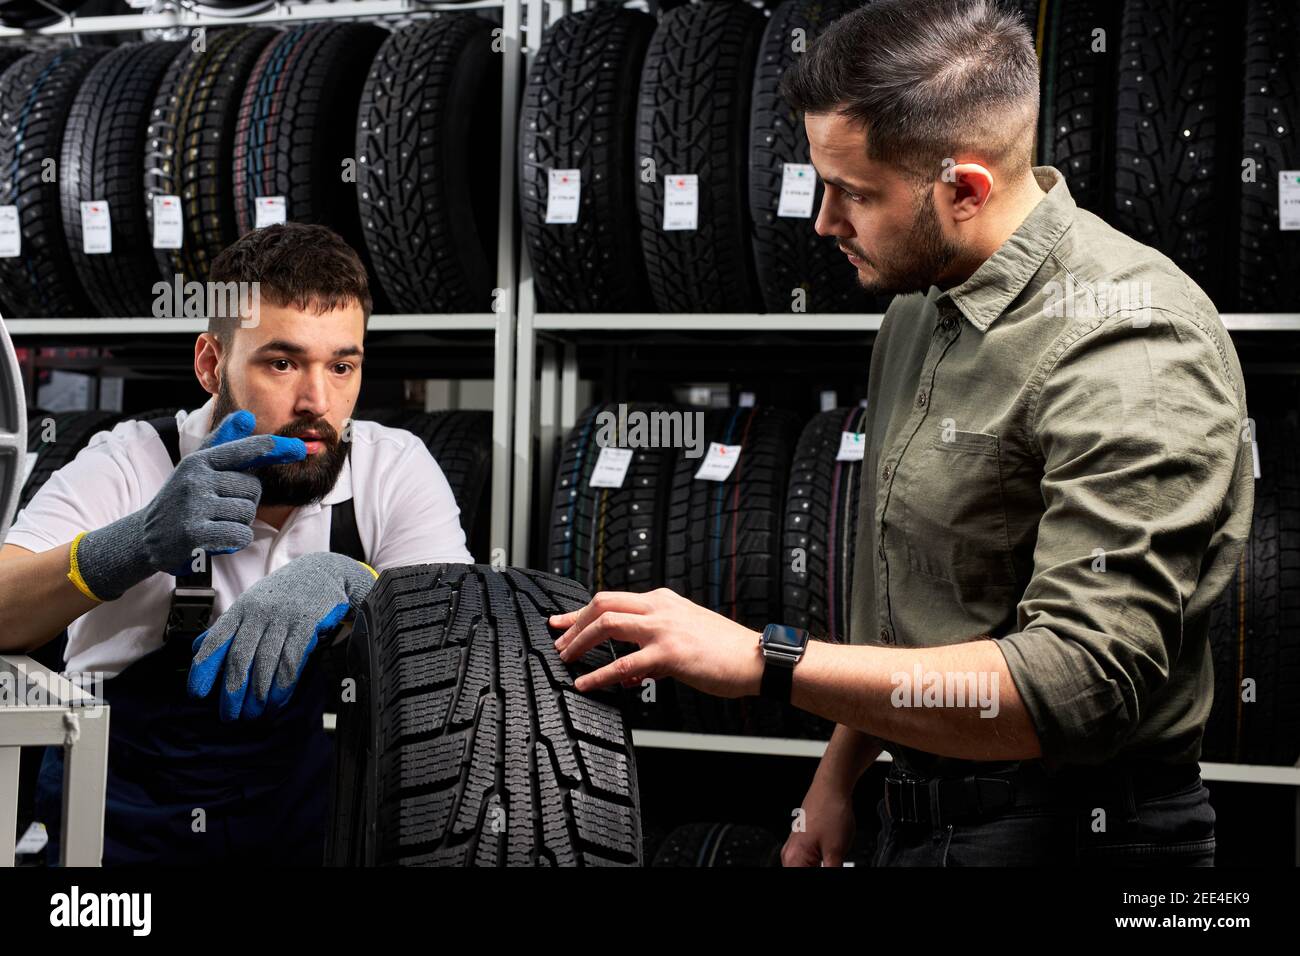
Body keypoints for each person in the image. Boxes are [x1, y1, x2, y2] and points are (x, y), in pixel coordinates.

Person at [549, 0, 1252, 866]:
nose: (823, 223)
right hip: (918, 817)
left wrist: (768, 661)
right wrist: (838, 779)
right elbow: (910, 603)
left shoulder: (1131, 342)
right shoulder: (921, 308)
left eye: (853, 193)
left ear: (965, 189)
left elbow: (1079, 684)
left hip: (1080, 833)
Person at [0, 222, 473, 864]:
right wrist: (133, 543)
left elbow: (457, 645)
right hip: (117, 833)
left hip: (291, 828)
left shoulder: (391, 467)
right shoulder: (129, 462)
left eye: (342, 366)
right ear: (210, 363)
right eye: (282, 362)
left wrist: (356, 582)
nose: (317, 401)